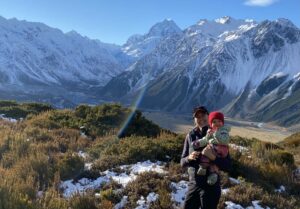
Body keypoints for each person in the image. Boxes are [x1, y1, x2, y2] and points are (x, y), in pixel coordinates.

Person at [181, 106, 231, 209]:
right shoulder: (190, 136)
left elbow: (228, 165)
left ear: (209, 117)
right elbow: (182, 162)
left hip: (211, 187)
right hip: (193, 184)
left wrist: (213, 158)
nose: (201, 118)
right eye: (197, 116)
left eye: (203, 115)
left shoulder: (218, 135)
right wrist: (188, 158)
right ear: (194, 119)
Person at [192, 111, 231, 186]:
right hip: (194, 184)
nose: (217, 123)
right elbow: (206, 139)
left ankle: (213, 175)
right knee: (205, 157)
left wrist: (216, 134)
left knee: (214, 165)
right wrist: (198, 143)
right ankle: (203, 167)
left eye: (219, 121)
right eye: (214, 122)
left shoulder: (224, 131)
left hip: (220, 150)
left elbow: (224, 140)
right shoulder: (192, 135)